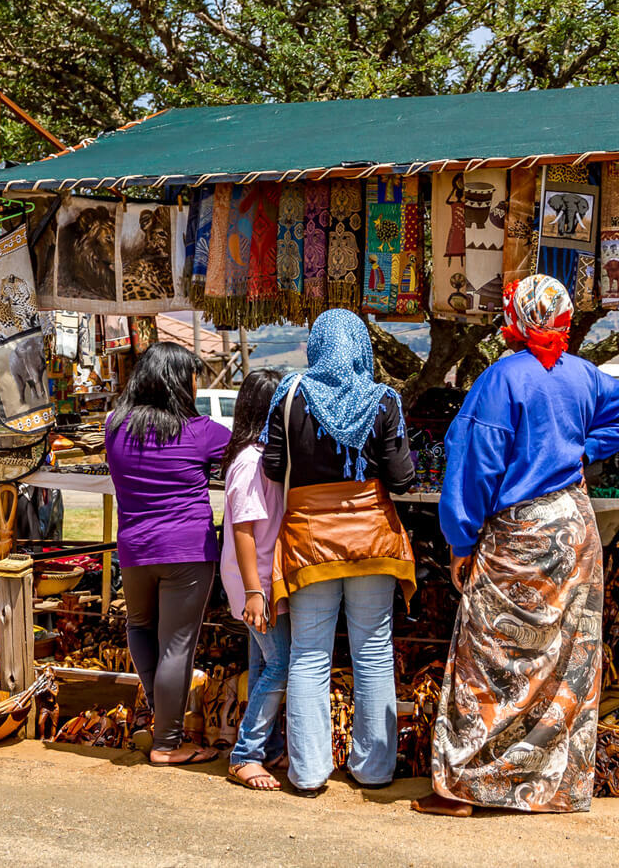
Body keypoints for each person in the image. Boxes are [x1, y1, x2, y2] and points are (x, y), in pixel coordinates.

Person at [416, 275, 619, 817]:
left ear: (517, 315)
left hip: (519, 531)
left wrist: (461, 537)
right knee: (563, 660)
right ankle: (550, 788)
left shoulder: (501, 379)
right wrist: (581, 450)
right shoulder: (584, 376)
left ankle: (467, 789)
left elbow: (475, 462)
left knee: (488, 656)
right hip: (573, 528)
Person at [261, 309, 416, 795]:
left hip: (310, 540)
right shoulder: (383, 400)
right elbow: (403, 478)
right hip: (373, 539)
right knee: (372, 651)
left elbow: (271, 467)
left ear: (317, 345)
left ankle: (307, 772)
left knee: (309, 655)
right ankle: (374, 770)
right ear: (362, 346)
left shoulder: (288, 395)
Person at [106, 341, 229, 766]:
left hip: (135, 549)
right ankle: (168, 743)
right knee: (177, 646)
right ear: (179, 381)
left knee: (139, 628)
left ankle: (164, 718)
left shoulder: (114, 426)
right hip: (186, 550)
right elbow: (243, 455)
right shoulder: (201, 431)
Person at [220, 369, 289, 792]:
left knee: (264, 662)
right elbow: (244, 529)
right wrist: (254, 592)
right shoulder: (250, 462)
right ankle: (245, 753)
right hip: (256, 581)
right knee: (279, 661)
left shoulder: (259, 456)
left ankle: (268, 744)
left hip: (261, 580)